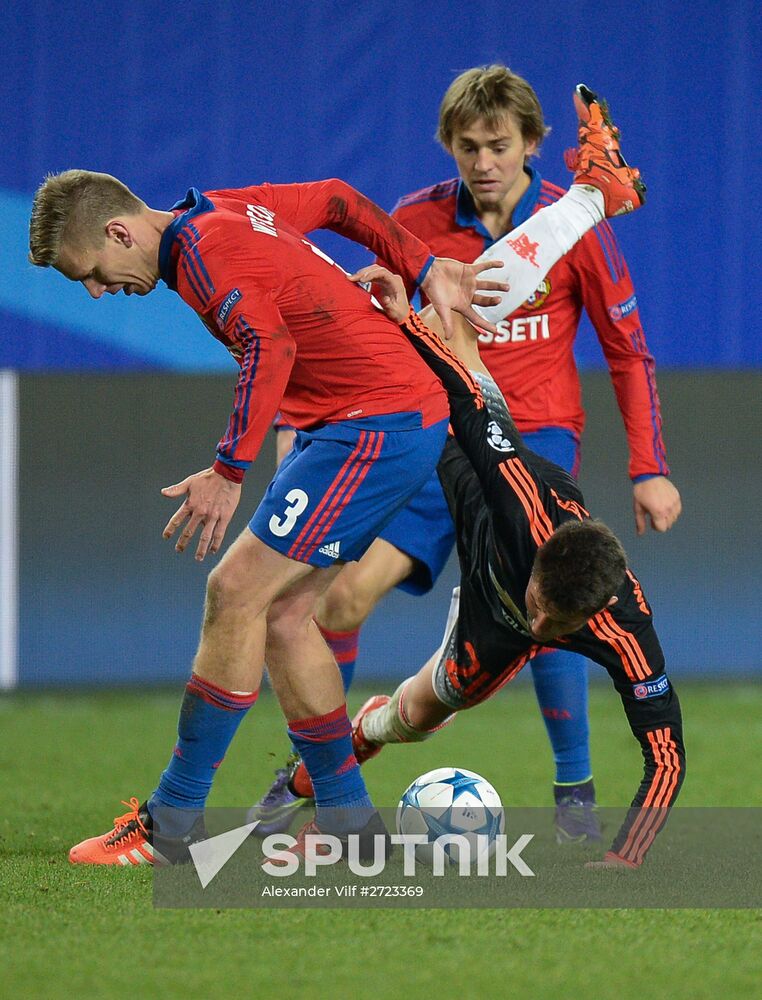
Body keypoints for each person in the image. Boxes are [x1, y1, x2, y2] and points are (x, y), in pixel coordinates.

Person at [250, 71, 682, 842]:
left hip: (532, 437)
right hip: (437, 436)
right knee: (341, 598)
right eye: (468, 146)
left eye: (500, 145)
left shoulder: (580, 240)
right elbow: (355, 332)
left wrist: (648, 465)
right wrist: (304, 419)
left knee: (547, 603)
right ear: (448, 145)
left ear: (532, 145)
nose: (484, 161)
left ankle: (574, 794)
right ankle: (316, 770)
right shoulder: (414, 221)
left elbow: (628, 350)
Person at [28, 168, 504, 864]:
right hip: (364, 419)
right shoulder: (221, 211)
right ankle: (350, 825)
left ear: (119, 231)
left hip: (374, 423)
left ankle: (171, 823)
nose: (98, 292)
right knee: (282, 617)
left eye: (91, 273)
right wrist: (424, 265)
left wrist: (228, 472)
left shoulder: (200, 252)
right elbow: (340, 196)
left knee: (234, 591)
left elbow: (268, 345)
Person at [289, 260, 686, 870]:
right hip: (478, 507)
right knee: (456, 390)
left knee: (421, 713)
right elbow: (476, 403)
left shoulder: (627, 629)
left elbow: (666, 759)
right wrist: (409, 326)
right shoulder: (520, 497)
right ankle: (356, 744)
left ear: (598, 611)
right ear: (542, 563)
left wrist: (625, 859)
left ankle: (371, 730)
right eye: (539, 606)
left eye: (558, 625)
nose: (542, 625)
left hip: (499, 616)